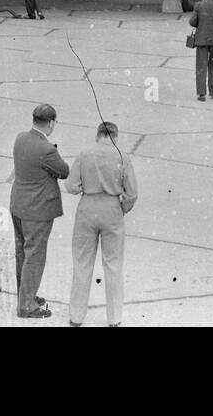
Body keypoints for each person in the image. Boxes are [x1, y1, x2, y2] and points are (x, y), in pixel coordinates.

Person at [65, 121, 137, 327]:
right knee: (113, 265)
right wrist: (121, 208)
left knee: (82, 263)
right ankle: (114, 319)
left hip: (87, 207)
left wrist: (84, 188)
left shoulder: (84, 153)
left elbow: (71, 185)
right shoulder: (122, 156)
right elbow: (132, 193)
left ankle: (76, 317)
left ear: (98, 135)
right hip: (112, 208)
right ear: (115, 136)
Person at [10, 103, 70, 319]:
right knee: (35, 255)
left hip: (18, 205)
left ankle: (25, 295)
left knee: (23, 253)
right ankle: (26, 305)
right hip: (37, 210)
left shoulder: (20, 138)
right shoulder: (47, 149)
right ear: (51, 123)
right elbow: (64, 171)